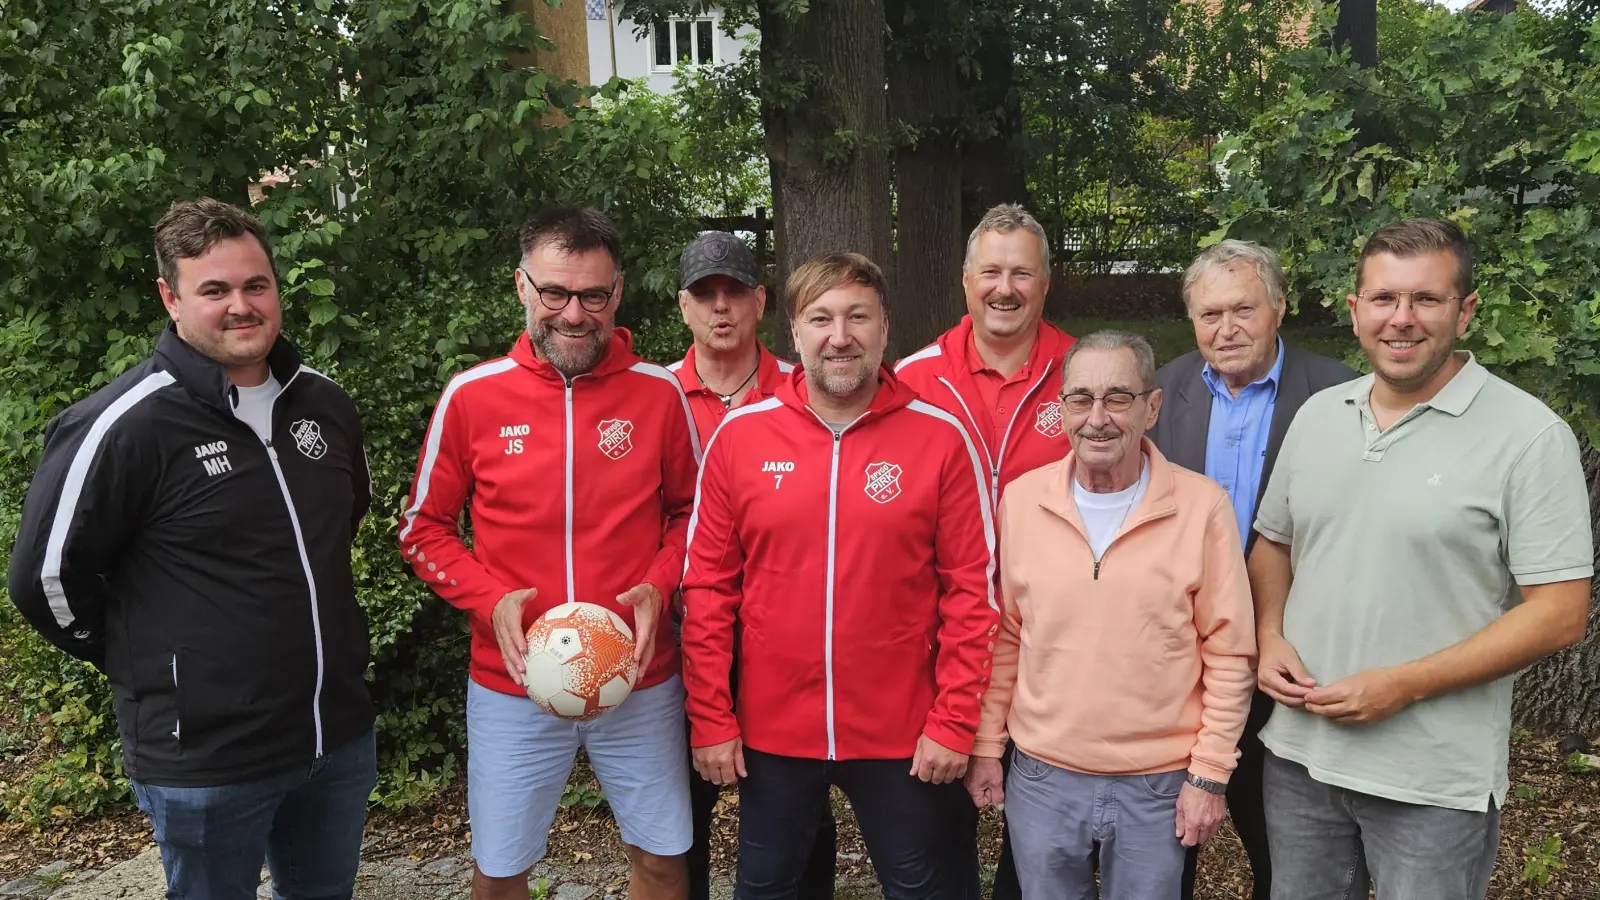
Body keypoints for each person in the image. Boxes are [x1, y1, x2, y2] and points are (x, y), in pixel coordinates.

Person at [7, 197, 377, 900]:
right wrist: (149, 661)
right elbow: (44, 580)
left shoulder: (325, 405)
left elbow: (337, 525)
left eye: (255, 285)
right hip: (204, 758)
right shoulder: (125, 424)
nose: (241, 306)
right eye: (215, 290)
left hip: (335, 738)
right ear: (170, 299)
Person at [1250, 217, 1594, 900]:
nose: (1400, 319)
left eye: (1426, 300)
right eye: (1383, 299)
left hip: (1432, 780)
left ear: (1464, 311)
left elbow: (1559, 614)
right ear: (1354, 312)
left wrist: (1404, 684)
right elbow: (1274, 545)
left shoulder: (1528, 437)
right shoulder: (1318, 416)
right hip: (1300, 761)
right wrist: (1267, 636)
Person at [398, 206, 702, 900]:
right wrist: (489, 597)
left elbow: (696, 515)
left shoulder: (657, 393)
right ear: (521, 287)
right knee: (501, 871)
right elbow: (423, 527)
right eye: (555, 293)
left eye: (593, 295)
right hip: (513, 682)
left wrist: (660, 583)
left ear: (617, 293)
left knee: (660, 862)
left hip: (637, 677)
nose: (574, 314)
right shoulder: (473, 397)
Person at [681, 252, 997, 900]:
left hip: (902, 731)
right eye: (821, 318)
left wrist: (953, 720)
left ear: (885, 329)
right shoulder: (742, 438)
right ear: (795, 333)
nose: (840, 335)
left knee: (924, 888)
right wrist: (711, 716)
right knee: (771, 888)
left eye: (858, 316)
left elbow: (972, 592)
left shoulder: (939, 439)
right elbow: (708, 587)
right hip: (773, 730)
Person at [966, 330, 1258, 900]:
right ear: (1062, 409)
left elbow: (1229, 652)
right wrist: (985, 745)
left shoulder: (1201, 508)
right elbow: (1005, 636)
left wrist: (1210, 774)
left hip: (1158, 783)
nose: (1097, 418)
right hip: (1044, 777)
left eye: (1118, 398)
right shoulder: (1023, 501)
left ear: (1151, 408)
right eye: (1081, 399)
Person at [1146, 239, 1356, 900]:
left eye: (1243, 309)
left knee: (1284, 841)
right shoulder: (1163, 392)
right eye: (1209, 314)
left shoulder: (1340, 393)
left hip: (1287, 653)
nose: (1226, 328)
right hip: (1179, 655)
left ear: (1279, 310)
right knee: (1164, 839)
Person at [893, 203, 1075, 899]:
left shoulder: (1082, 373)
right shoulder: (913, 378)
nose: (1006, 288)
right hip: (941, 640)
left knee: (1042, 837)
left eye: (1022, 273)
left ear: (1046, 282)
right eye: (991, 272)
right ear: (966, 282)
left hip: (1051, 640)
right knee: (939, 829)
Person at [665, 231, 834, 900]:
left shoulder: (806, 387)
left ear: (761, 301)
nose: (720, 307)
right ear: (683, 307)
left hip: (785, 642)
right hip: (685, 634)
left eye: (734, 291)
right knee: (685, 815)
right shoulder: (655, 397)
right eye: (704, 294)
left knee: (801, 815)